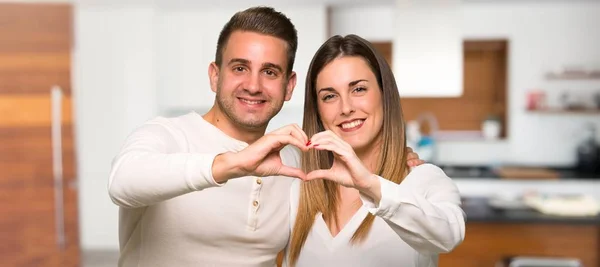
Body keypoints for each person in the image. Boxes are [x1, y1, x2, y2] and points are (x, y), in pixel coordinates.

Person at [107, 6, 423, 267]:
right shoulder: (167, 136)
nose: (254, 85)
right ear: (215, 75)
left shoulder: (296, 163)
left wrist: (396, 158)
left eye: (270, 72)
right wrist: (232, 164)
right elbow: (122, 183)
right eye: (240, 68)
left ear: (289, 86)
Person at [283, 34, 466, 267]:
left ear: (383, 94)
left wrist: (371, 186)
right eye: (329, 96)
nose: (346, 108)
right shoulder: (298, 188)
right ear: (317, 110)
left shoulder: (423, 180)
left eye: (358, 89)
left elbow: (449, 235)